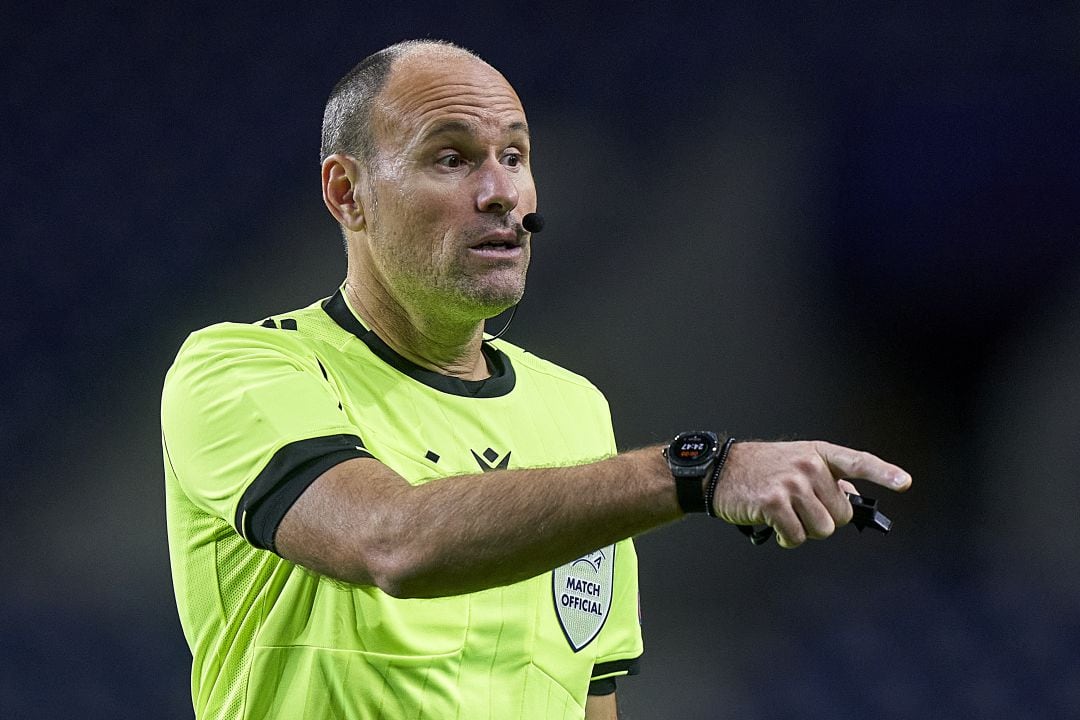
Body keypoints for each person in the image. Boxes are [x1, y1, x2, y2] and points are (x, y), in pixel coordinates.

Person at [161, 39, 912, 720]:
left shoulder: (574, 410)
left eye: (515, 158)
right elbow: (390, 541)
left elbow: (588, 693)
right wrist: (694, 471)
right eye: (450, 158)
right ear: (346, 193)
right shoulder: (240, 369)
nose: (501, 193)